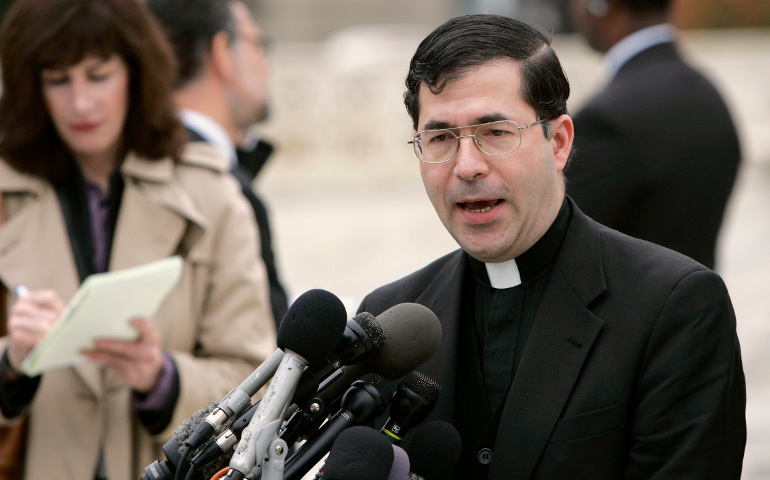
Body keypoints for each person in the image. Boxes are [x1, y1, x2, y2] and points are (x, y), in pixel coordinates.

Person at [358, 14, 745, 480]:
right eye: (440, 138)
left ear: (558, 142)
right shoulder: (390, 320)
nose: (466, 166)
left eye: (495, 133)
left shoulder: (674, 309)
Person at [0, 0, 276, 479]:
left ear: (136, 71)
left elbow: (256, 379)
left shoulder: (212, 193)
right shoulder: (5, 196)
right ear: (32, 85)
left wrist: (163, 378)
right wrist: (11, 362)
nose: (80, 102)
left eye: (99, 75)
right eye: (58, 80)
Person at [565, 0, 741, 269]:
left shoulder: (606, 117)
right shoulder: (708, 95)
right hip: (699, 303)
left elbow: (565, 241)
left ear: (599, 6)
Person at [147, 0, 289, 328]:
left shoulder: (131, 164)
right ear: (223, 52)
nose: (267, 65)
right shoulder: (220, 186)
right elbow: (272, 358)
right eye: (259, 45)